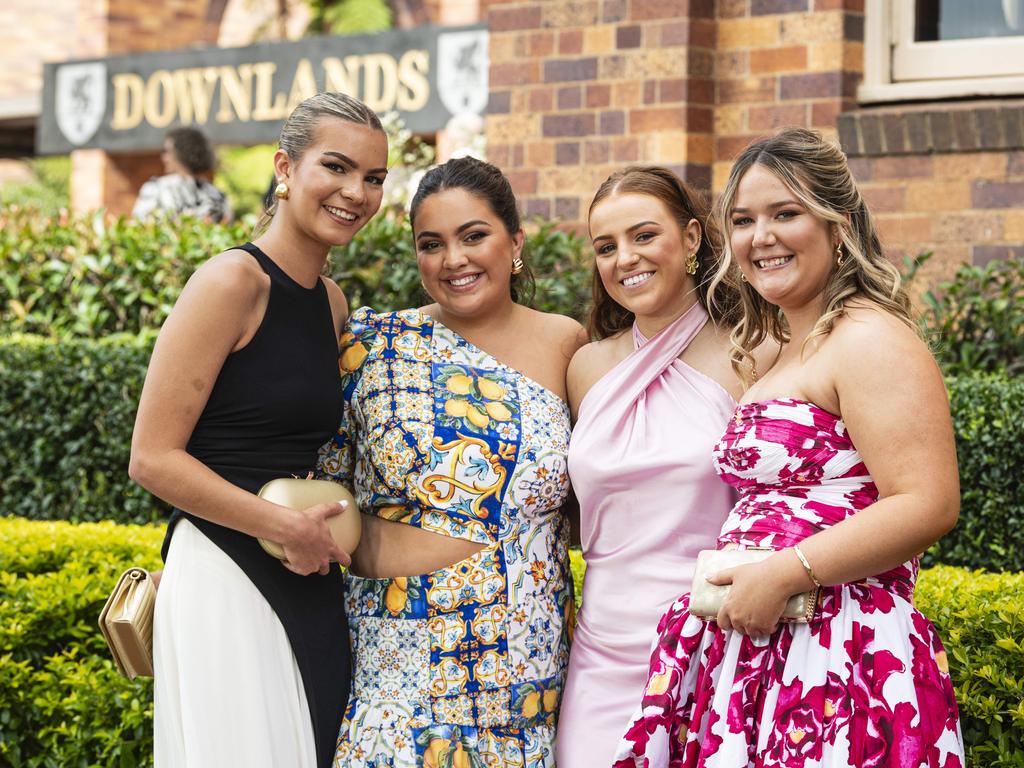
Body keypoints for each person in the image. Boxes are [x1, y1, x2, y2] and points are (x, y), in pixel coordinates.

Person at [614, 127, 964, 767]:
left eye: (786, 213)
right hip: (758, 650)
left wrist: (782, 573)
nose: (760, 237)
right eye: (743, 220)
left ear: (840, 224)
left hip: (841, 652)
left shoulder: (869, 338)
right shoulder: (773, 352)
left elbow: (928, 502)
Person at [128, 92, 388, 768]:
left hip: (305, 567)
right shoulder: (231, 282)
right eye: (336, 167)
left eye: (374, 177)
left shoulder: (331, 302)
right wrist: (281, 528)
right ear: (284, 167)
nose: (356, 192)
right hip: (226, 568)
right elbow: (153, 458)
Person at [316, 156, 585, 767]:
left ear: (515, 241)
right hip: (396, 664)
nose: (453, 260)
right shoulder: (373, 346)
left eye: (474, 236)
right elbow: (319, 490)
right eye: (431, 244)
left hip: (526, 670)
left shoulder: (566, 344)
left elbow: (604, 495)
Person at [556, 167, 750, 766]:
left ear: (692, 239)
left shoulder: (752, 353)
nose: (624, 259)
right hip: (599, 649)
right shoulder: (586, 366)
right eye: (606, 247)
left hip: (710, 641)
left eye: (644, 236)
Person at [132, 126, 231, 221]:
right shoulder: (217, 195)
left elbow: (139, 226)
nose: (164, 157)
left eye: (166, 151)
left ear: (181, 153)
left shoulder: (156, 189)